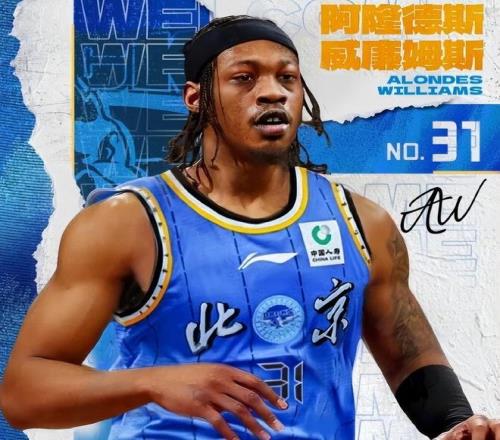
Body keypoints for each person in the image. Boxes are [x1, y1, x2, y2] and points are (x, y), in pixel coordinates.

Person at [0, 15, 498, 440]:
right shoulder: (126, 223)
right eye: (244, 78)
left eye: (287, 78)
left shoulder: (361, 222)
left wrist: (457, 423)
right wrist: (152, 383)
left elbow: (410, 359)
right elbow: (24, 393)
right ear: (196, 97)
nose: (272, 92)